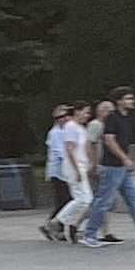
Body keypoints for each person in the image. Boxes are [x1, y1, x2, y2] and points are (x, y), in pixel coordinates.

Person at [80, 86, 135, 248]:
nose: (132, 101)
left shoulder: (125, 118)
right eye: (128, 99)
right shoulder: (112, 118)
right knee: (103, 201)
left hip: (123, 167)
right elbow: (109, 141)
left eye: (132, 98)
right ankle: (89, 234)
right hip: (112, 167)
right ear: (119, 101)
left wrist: (127, 159)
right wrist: (125, 159)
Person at [54, 100, 110, 243]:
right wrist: (77, 169)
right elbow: (70, 149)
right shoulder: (71, 127)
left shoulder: (78, 127)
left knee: (84, 199)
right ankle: (61, 220)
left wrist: (89, 163)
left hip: (80, 165)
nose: (87, 115)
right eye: (85, 112)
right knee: (85, 199)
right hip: (75, 167)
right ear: (78, 112)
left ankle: (71, 225)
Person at [40, 104, 76, 240]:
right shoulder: (56, 133)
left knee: (65, 200)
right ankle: (51, 225)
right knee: (64, 200)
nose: (63, 119)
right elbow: (61, 153)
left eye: (66, 115)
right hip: (58, 172)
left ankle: (57, 226)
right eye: (60, 116)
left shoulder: (66, 131)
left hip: (64, 172)